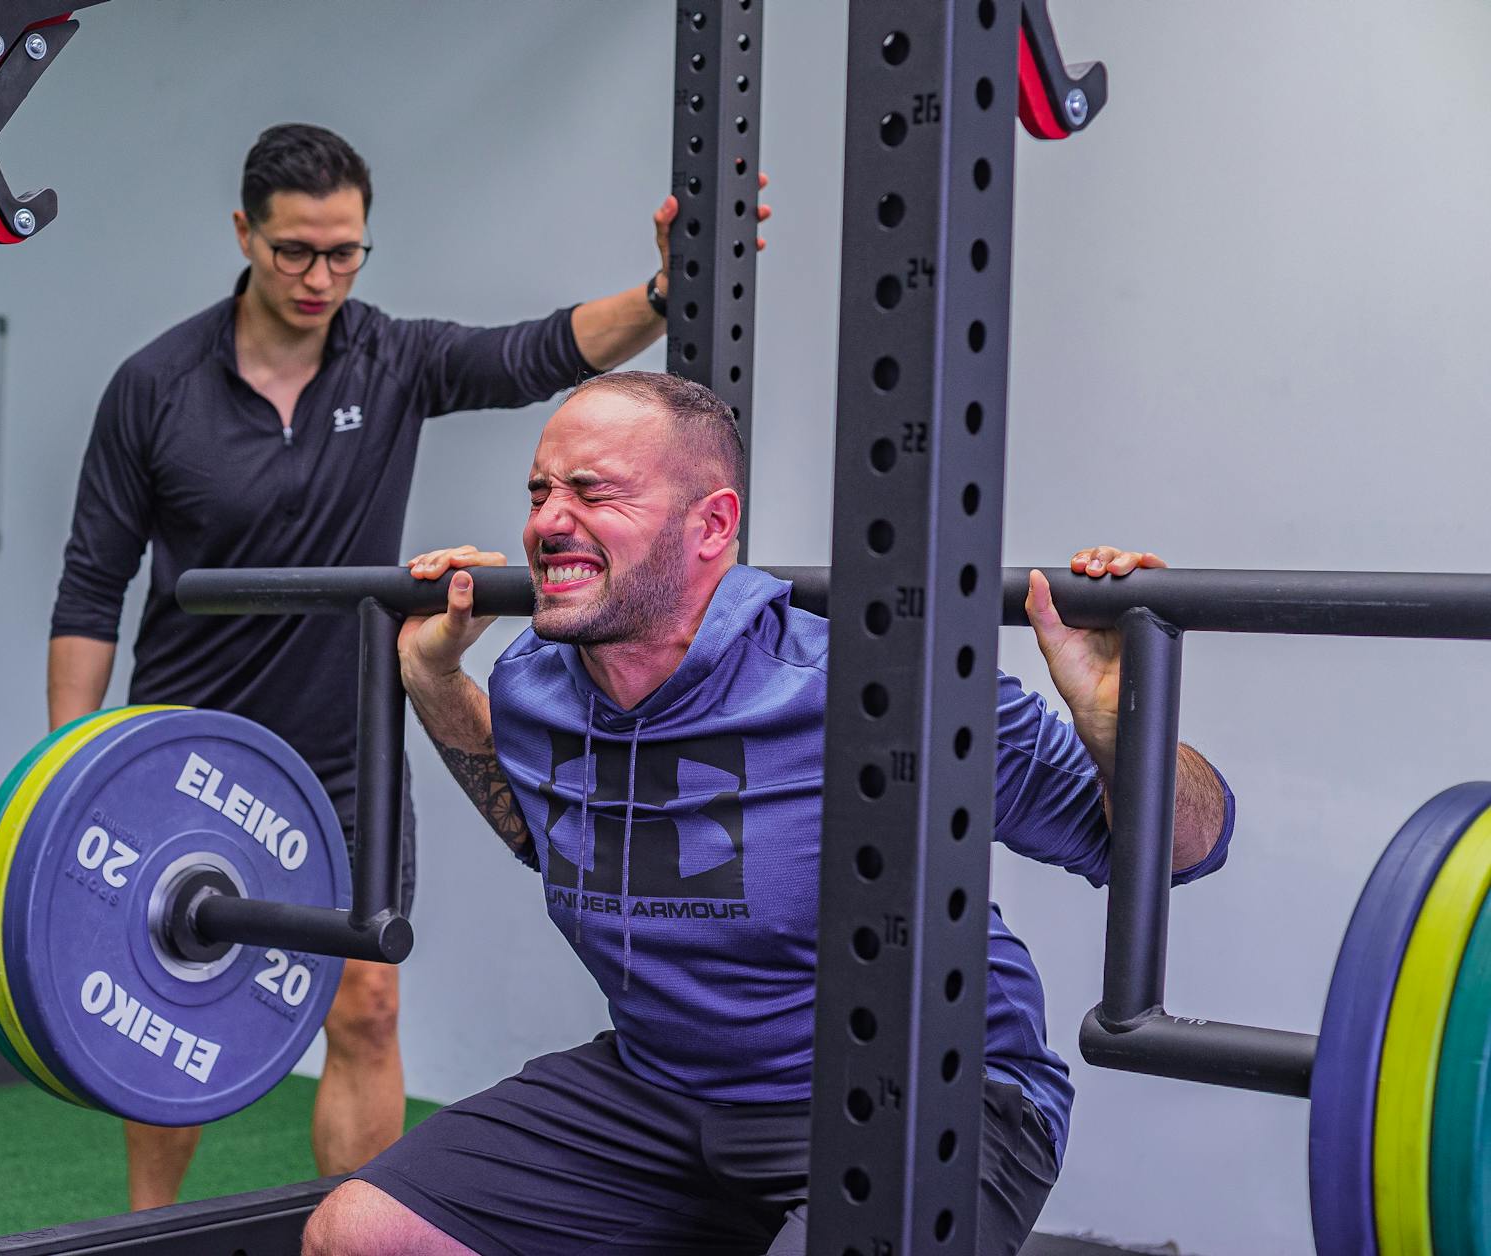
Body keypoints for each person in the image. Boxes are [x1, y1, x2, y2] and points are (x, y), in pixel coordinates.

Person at [301, 371, 1236, 1256]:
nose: (549, 523)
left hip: (933, 1099)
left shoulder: (879, 688)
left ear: (712, 526)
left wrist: (1122, 725)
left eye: (594, 494)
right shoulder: (535, 682)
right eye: (540, 491)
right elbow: (538, 831)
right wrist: (429, 675)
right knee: (362, 1234)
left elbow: (1179, 851)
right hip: (663, 1093)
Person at [48, 126, 769, 1209]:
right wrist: (74, 753)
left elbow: (536, 351)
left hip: (343, 745)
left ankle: (361, 1225)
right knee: (172, 1005)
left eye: (344, 252)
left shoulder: (388, 358)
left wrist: (662, 293)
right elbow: (89, 586)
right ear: (243, 232)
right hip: (190, 743)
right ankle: (149, 1227)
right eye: (295, 250)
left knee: (367, 1006)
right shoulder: (153, 387)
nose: (319, 276)